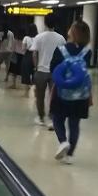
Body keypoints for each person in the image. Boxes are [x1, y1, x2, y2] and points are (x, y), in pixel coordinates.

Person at [49, 21, 92, 165]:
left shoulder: (60, 50)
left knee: (57, 119)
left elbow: (53, 69)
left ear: (73, 32)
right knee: (74, 124)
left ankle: (63, 142)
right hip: (81, 94)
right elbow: (86, 71)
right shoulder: (87, 52)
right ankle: (70, 155)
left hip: (62, 92)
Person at [30, 16, 66, 128]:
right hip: (55, 71)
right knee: (53, 96)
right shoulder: (61, 38)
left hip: (41, 70)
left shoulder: (39, 37)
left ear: (45, 23)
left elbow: (34, 54)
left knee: (39, 96)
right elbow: (64, 55)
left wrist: (36, 67)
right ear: (55, 24)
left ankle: (41, 118)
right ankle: (52, 119)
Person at [20, 23, 38, 96]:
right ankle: (36, 91)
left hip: (28, 55)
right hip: (36, 55)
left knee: (26, 73)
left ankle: (26, 93)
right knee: (35, 72)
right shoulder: (38, 37)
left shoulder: (26, 38)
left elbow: (23, 48)